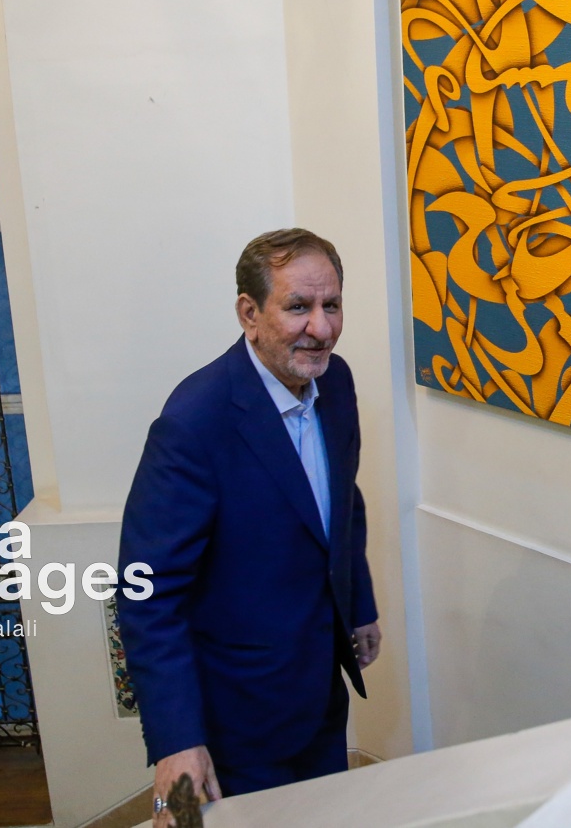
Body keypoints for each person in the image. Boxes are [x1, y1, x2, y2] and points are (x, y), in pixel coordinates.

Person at [116, 228, 381, 825]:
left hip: (319, 695)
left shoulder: (335, 382)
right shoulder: (195, 422)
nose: (322, 328)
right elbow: (146, 593)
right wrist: (177, 741)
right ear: (249, 313)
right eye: (298, 307)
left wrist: (358, 604)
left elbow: (343, 501)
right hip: (239, 718)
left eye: (332, 305)